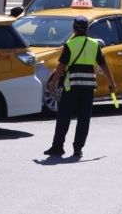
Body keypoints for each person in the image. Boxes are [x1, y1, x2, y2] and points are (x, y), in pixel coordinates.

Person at [44, 15, 117, 158]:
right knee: (84, 119)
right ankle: (78, 148)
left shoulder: (70, 44)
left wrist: (53, 83)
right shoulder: (94, 44)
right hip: (88, 87)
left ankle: (58, 147)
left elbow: (61, 66)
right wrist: (112, 83)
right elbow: (103, 64)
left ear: (74, 29)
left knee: (64, 116)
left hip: (72, 86)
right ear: (87, 29)